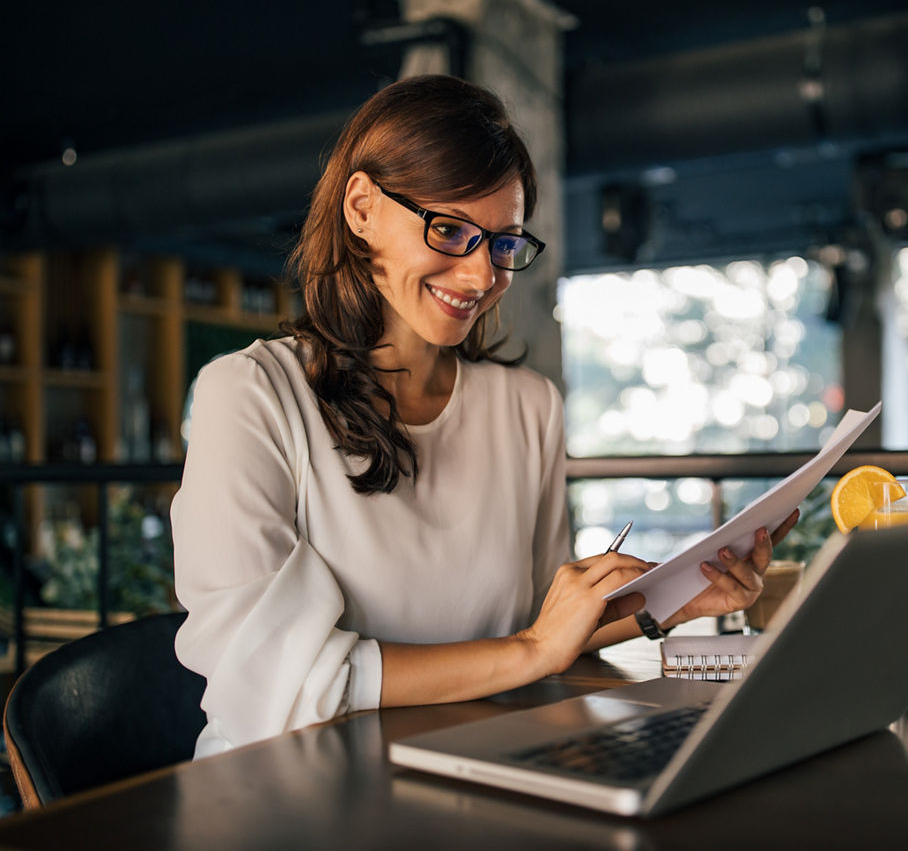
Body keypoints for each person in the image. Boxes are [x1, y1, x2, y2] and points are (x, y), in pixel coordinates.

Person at [171, 74, 798, 758]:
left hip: (480, 759)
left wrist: (678, 600)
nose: (481, 276)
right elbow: (270, 677)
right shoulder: (251, 395)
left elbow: (541, 629)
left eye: (503, 243)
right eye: (449, 230)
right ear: (361, 208)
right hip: (288, 781)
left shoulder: (528, 406)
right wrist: (531, 650)